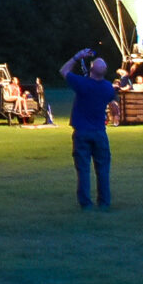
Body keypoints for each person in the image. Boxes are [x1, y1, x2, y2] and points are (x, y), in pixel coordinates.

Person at [60, 48, 117, 210]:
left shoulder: (82, 84)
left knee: (83, 170)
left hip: (82, 132)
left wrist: (77, 57)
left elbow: (64, 70)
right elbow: (110, 97)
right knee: (103, 170)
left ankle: (86, 204)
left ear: (90, 69)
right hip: (100, 132)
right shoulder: (108, 88)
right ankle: (104, 202)